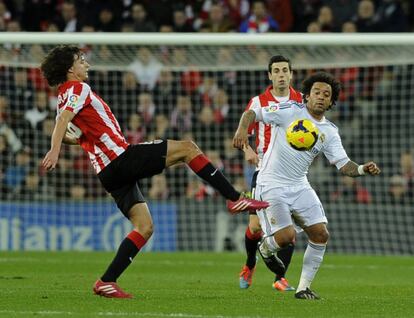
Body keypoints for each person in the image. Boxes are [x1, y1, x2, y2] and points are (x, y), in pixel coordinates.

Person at [40, 45, 269, 299]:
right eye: (81, 60)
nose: (87, 64)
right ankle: (235, 198)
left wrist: (65, 143)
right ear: (70, 68)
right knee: (188, 149)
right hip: (120, 158)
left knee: (144, 227)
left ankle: (106, 281)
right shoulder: (77, 88)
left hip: (107, 172)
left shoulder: (62, 97)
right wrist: (54, 150)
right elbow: (62, 123)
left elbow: (78, 135)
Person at [233, 71, 380, 300]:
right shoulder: (290, 110)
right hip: (270, 182)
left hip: (299, 184)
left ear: (332, 101)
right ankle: (266, 247)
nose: (321, 97)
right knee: (286, 237)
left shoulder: (330, 131)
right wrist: (243, 130)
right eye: (317, 92)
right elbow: (252, 113)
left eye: (326, 94)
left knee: (321, 234)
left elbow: (344, 165)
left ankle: (303, 288)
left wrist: (362, 169)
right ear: (307, 96)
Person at [239, 55, 302, 292]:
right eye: (276, 71)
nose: (281, 74)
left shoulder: (301, 101)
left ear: (291, 74)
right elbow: (243, 132)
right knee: (255, 227)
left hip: (293, 173)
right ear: (270, 75)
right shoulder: (258, 102)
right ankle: (249, 264)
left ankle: (280, 277)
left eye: (285, 70)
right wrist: (247, 149)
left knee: (289, 228)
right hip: (264, 170)